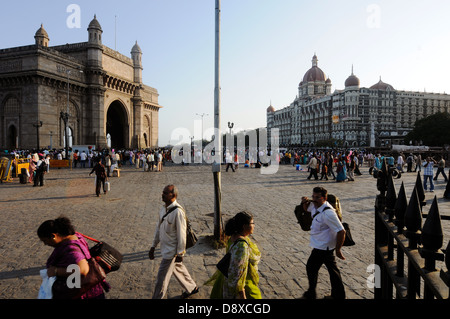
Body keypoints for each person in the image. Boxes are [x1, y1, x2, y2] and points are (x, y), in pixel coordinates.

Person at [37, 216, 108, 299]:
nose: (46, 244)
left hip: (84, 293)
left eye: (45, 241)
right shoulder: (75, 236)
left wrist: (56, 271)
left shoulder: (71, 249)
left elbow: (83, 270)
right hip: (89, 289)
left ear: (53, 236)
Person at [148, 185, 198, 299]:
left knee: (161, 278)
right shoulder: (163, 209)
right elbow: (158, 228)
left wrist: (181, 253)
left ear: (173, 195)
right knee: (178, 268)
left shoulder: (178, 212)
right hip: (165, 248)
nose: (163, 195)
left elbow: (182, 235)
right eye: (163, 192)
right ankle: (192, 287)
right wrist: (153, 246)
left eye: (166, 193)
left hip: (171, 252)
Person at [301, 186, 346, 299]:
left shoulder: (328, 213)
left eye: (317, 197)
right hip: (320, 245)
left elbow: (341, 231)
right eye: (313, 196)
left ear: (324, 198)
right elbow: (307, 209)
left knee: (312, 268)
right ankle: (338, 295)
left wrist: (338, 250)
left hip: (324, 247)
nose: (314, 199)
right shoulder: (316, 206)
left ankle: (311, 293)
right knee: (331, 271)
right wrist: (304, 202)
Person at [206, 211, 261, 299]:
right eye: (252, 223)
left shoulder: (233, 238)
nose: (254, 225)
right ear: (244, 226)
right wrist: (242, 295)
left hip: (225, 280)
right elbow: (236, 273)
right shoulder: (242, 246)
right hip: (243, 286)